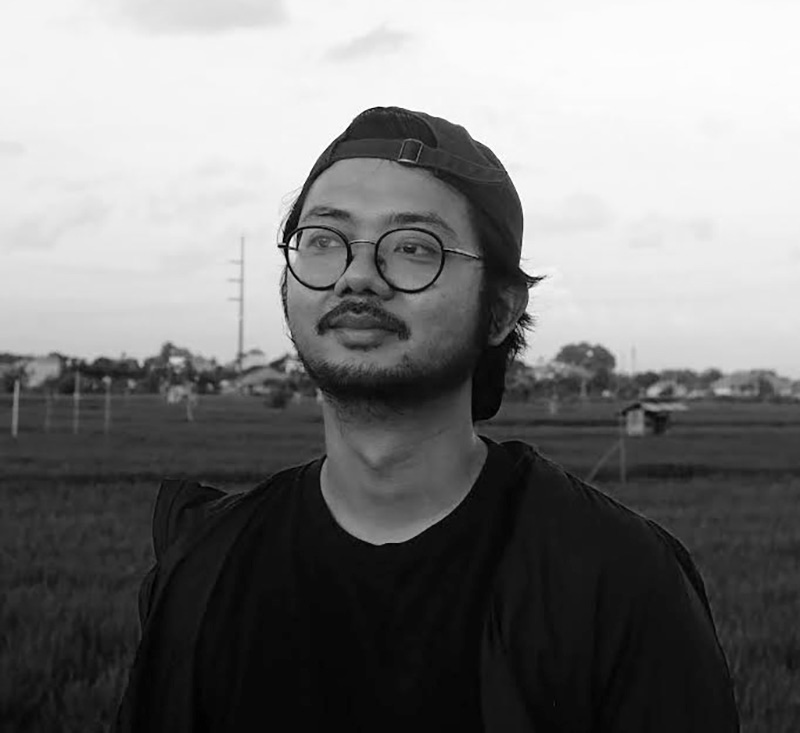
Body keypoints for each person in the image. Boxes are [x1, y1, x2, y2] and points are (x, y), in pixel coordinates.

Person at [113, 106, 740, 732]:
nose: (358, 275)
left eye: (414, 247)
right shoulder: (202, 566)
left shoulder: (619, 579)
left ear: (499, 310)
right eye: (324, 241)